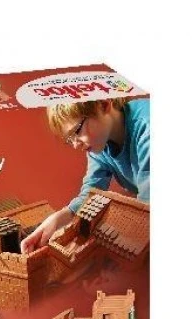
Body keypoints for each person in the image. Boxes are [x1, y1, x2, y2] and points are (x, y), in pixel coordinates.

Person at [21, 97, 150, 253]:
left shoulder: (148, 128)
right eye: (69, 139)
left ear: (103, 105)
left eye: (77, 131)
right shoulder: (99, 145)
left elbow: (146, 209)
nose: (76, 145)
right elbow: (91, 193)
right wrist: (58, 219)